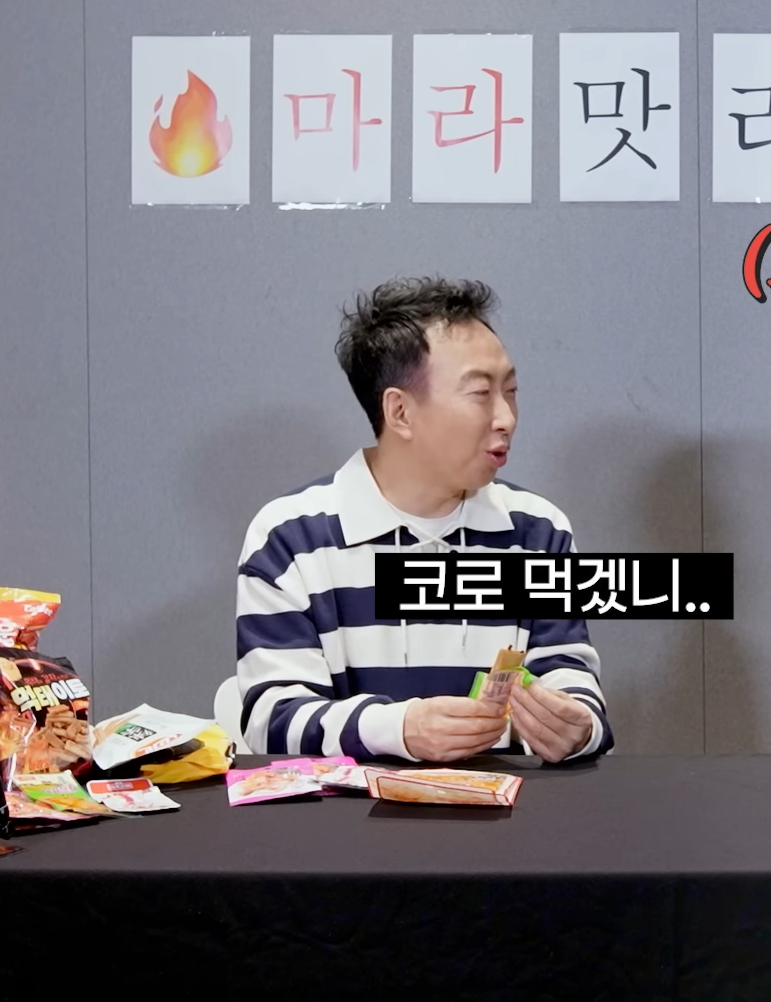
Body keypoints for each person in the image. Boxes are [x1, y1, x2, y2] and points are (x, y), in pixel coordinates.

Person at [235, 276, 612, 764]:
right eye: (481, 393)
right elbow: (273, 720)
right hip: (351, 811)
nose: (506, 418)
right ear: (400, 412)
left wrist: (580, 727)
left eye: (511, 391)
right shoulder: (291, 538)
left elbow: (571, 677)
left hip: (514, 807)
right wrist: (400, 730)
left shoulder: (538, 532)